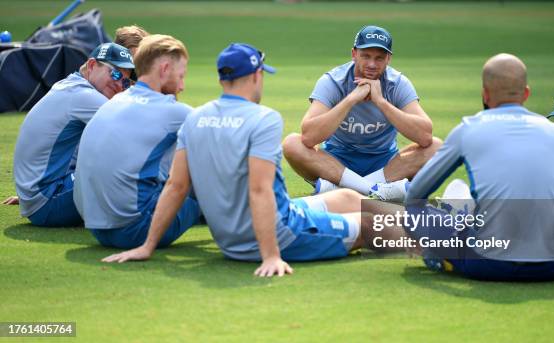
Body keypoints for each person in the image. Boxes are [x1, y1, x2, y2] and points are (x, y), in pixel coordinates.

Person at [102, 43, 402, 277]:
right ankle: (445, 238)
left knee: (347, 197)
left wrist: (148, 246)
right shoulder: (264, 119)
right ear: (256, 75)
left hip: (233, 236)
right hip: (278, 234)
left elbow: (176, 186)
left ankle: (428, 216)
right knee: (368, 226)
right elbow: (260, 190)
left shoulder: (196, 118)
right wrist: (271, 254)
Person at [396, 53, 554, 282]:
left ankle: (445, 254)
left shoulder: (468, 129)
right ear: (526, 92)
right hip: (552, 268)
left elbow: (415, 196)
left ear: (485, 94)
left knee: (411, 215)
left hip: (488, 265)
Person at [282, 25, 441, 202]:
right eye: (366, 56)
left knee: (437, 148)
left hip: (385, 164)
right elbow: (309, 136)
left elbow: (425, 136)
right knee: (292, 143)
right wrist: (351, 99)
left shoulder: (398, 83)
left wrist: (381, 102)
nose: (372, 64)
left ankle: (342, 190)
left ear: (388, 59)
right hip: (336, 163)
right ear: (354, 54)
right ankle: (375, 190)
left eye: (379, 58)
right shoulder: (333, 81)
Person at [73, 34, 200, 248]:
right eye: (181, 76)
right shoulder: (172, 111)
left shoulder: (113, 102)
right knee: (209, 165)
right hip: (136, 229)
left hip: (97, 229)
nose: (182, 86)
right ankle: (253, 231)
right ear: (164, 68)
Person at [8, 43, 134, 227]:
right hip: (47, 202)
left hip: (39, 196)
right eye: (115, 74)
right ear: (92, 65)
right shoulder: (83, 96)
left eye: (125, 81)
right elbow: (136, 131)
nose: (119, 85)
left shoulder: (69, 85)